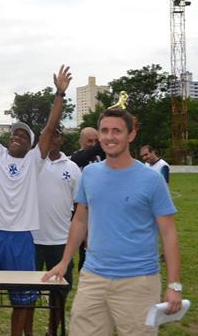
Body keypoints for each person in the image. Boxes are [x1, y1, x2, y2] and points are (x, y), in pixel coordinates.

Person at [44, 108, 182, 335]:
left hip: (138, 282)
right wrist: (64, 260)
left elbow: (169, 233)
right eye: (105, 131)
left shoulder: (152, 179)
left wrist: (174, 285)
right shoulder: (90, 173)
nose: (110, 137)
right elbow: (80, 220)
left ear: (131, 135)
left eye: (117, 131)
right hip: (93, 278)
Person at [0, 59, 72, 336]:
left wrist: (59, 93)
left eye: (24, 136)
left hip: (22, 238)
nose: (17, 137)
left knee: (24, 299)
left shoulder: (35, 161)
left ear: (32, 144)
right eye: (15, 133)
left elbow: (50, 127)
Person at [25, 128, 81, 336]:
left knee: (59, 294)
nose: (53, 139)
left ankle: (52, 330)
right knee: (27, 293)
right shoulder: (31, 163)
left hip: (61, 243)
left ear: (62, 139)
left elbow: (79, 207)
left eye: (57, 135)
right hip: (31, 240)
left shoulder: (73, 168)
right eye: (49, 135)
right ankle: (27, 332)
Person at [69, 126, 105, 272]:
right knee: (84, 248)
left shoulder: (104, 156)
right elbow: (79, 160)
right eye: (90, 141)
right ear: (81, 141)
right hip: (82, 210)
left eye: (96, 141)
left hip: (102, 210)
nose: (94, 144)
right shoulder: (75, 158)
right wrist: (98, 147)